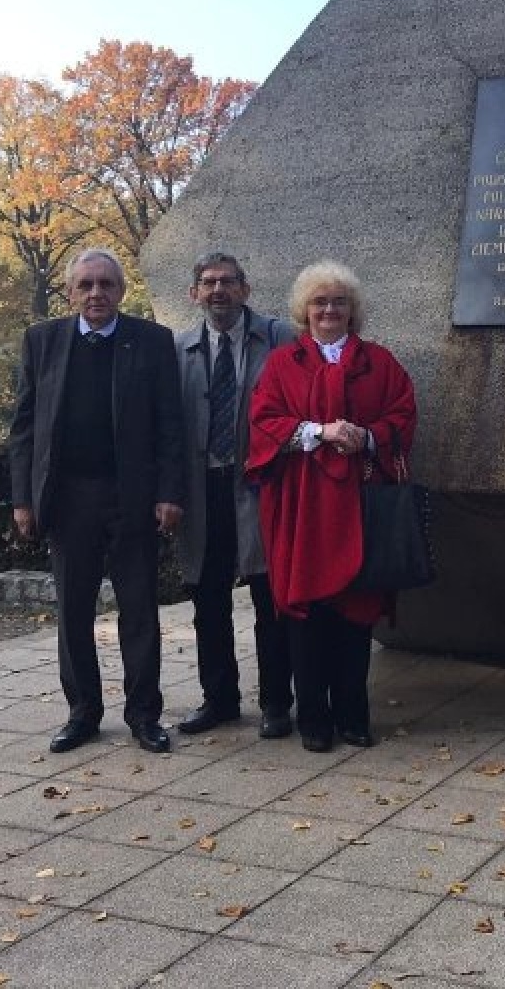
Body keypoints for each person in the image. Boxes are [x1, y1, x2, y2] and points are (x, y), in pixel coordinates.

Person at [8, 248, 186, 755]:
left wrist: (170, 492)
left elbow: (170, 425)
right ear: (70, 292)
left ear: (121, 291)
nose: (96, 293)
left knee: (139, 610)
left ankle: (144, 715)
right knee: (74, 611)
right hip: (67, 500)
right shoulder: (42, 342)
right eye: (85, 285)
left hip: (132, 497)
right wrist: (23, 498)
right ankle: (83, 712)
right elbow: (23, 425)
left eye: (106, 284)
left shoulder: (151, 342)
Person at [246, 261, 417, 754]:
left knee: (355, 613)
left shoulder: (379, 363)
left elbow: (402, 415)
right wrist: (318, 432)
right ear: (305, 310)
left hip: (360, 506)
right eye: (319, 302)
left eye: (338, 301)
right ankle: (313, 719)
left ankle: (353, 715)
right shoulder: (282, 365)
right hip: (303, 508)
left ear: (352, 309)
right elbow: (263, 423)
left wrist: (366, 437)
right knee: (308, 614)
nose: (328, 310)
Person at [174, 252, 298, 739]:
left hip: (262, 485)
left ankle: (275, 703)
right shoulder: (179, 349)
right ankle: (219, 699)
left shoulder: (280, 338)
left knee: (271, 598)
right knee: (208, 601)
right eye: (208, 283)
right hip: (203, 488)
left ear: (246, 289)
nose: (217, 290)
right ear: (195, 294)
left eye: (227, 282)